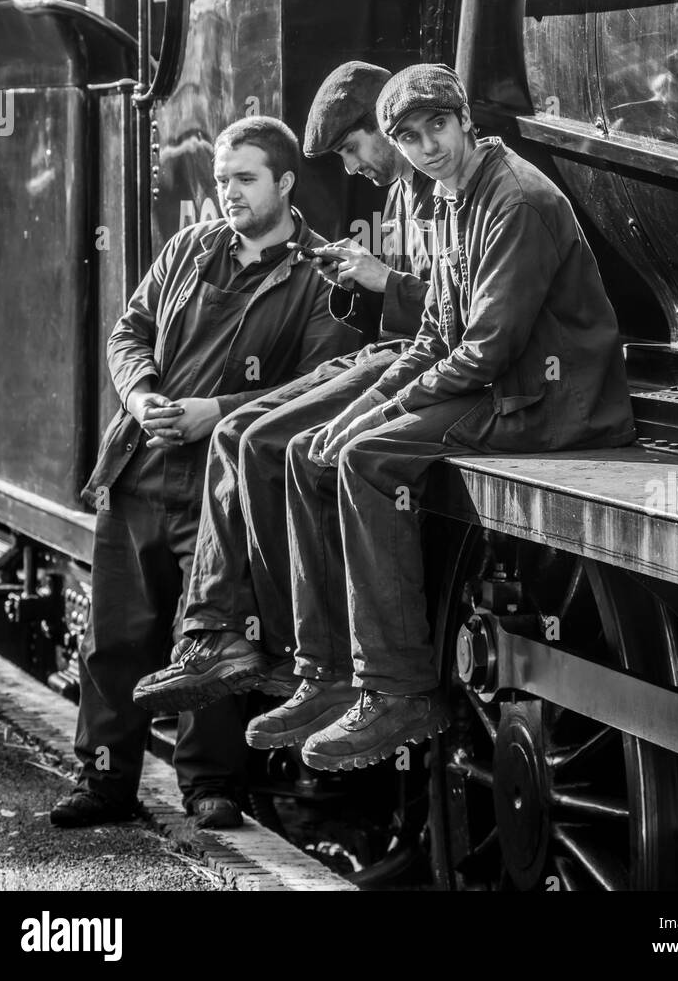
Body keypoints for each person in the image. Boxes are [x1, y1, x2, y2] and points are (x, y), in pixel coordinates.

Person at [246, 63, 637, 771]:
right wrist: (359, 409)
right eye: (409, 136)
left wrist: (378, 417)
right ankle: (329, 671)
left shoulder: (511, 198)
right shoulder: (447, 201)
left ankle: (398, 690)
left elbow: (485, 350)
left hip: (549, 405)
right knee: (313, 449)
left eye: (438, 128)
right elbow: (432, 338)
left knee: (367, 461)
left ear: (463, 122)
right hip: (501, 387)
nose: (427, 146)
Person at [50, 115, 353, 830]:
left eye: (244, 179)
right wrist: (143, 394)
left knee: (213, 644)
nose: (229, 194)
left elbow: (316, 388)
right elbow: (130, 331)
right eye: (221, 180)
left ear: (284, 182)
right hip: (141, 471)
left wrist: (213, 411)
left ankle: (213, 786)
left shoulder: (319, 276)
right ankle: (103, 781)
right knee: (115, 640)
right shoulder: (188, 248)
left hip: (224, 490)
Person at [131, 62, 435, 734]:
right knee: (244, 431)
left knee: (278, 442)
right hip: (398, 352)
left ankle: (304, 660)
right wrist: (368, 287)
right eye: (223, 182)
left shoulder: (444, 190)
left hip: (419, 363)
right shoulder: (413, 193)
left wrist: (384, 286)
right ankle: (224, 638)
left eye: (356, 150)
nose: (354, 169)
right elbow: (132, 330)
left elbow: (457, 319)